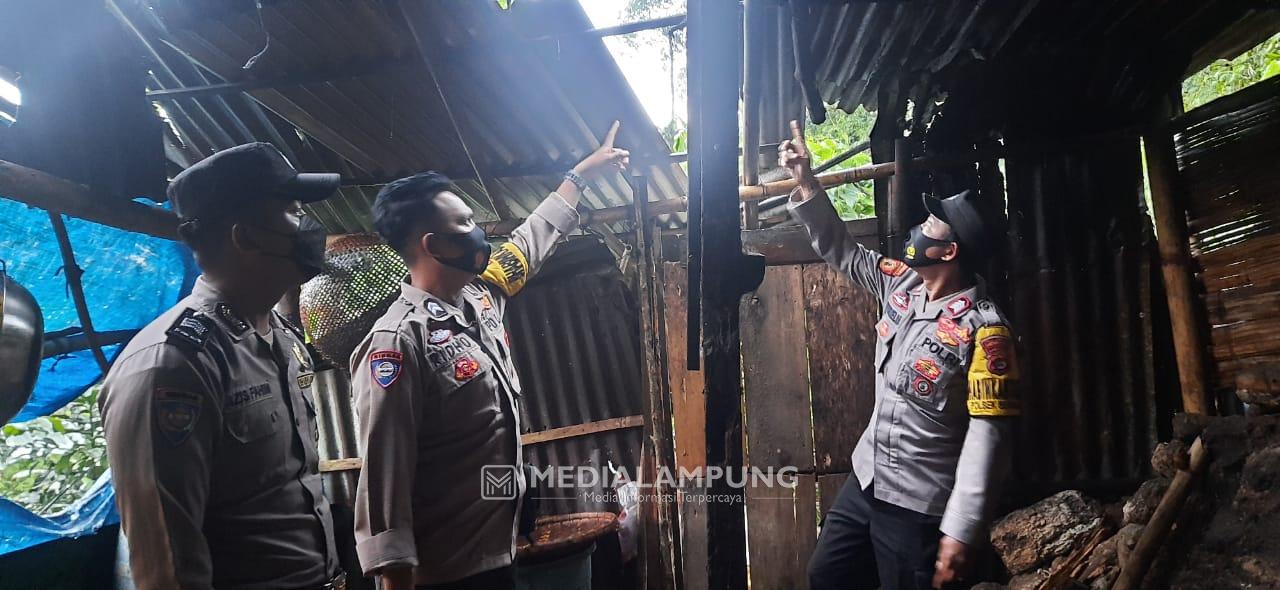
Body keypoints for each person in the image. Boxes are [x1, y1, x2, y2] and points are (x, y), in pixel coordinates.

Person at [350, 122, 630, 590]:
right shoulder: (398, 342)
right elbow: (384, 472)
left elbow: (529, 243)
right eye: (465, 225)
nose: (479, 233)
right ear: (433, 246)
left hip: (498, 557)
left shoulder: (481, 299)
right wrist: (396, 579)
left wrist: (579, 176)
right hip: (441, 575)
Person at [779, 121, 1021, 590]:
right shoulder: (901, 285)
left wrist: (960, 530)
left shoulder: (986, 331)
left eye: (930, 226)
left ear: (949, 250)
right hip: (866, 480)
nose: (918, 229)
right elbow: (844, 252)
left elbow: (988, 439)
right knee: (826, 575)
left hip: (917, 507)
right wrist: (805, 181)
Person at [100, 143, 346, 589]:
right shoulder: (172, 365)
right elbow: (167, 568)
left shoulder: (279, 336)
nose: (310, 228)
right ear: (246, 236)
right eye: (293, 213)